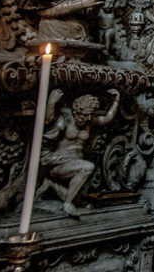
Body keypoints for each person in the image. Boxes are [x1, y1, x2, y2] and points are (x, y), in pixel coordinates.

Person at [39, 87, 120, 215]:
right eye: (83, 115)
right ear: (76, 111)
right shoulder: (65, 119)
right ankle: (68, 203)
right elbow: (48, 122)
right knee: (88, 167)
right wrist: (51, 103)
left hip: (76, 162)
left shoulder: (89, 120)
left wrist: (115, 102)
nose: (86, 118)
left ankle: (54, 186)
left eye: (89, 115)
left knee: (85, 171)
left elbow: (106, 119)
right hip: (59, 163)